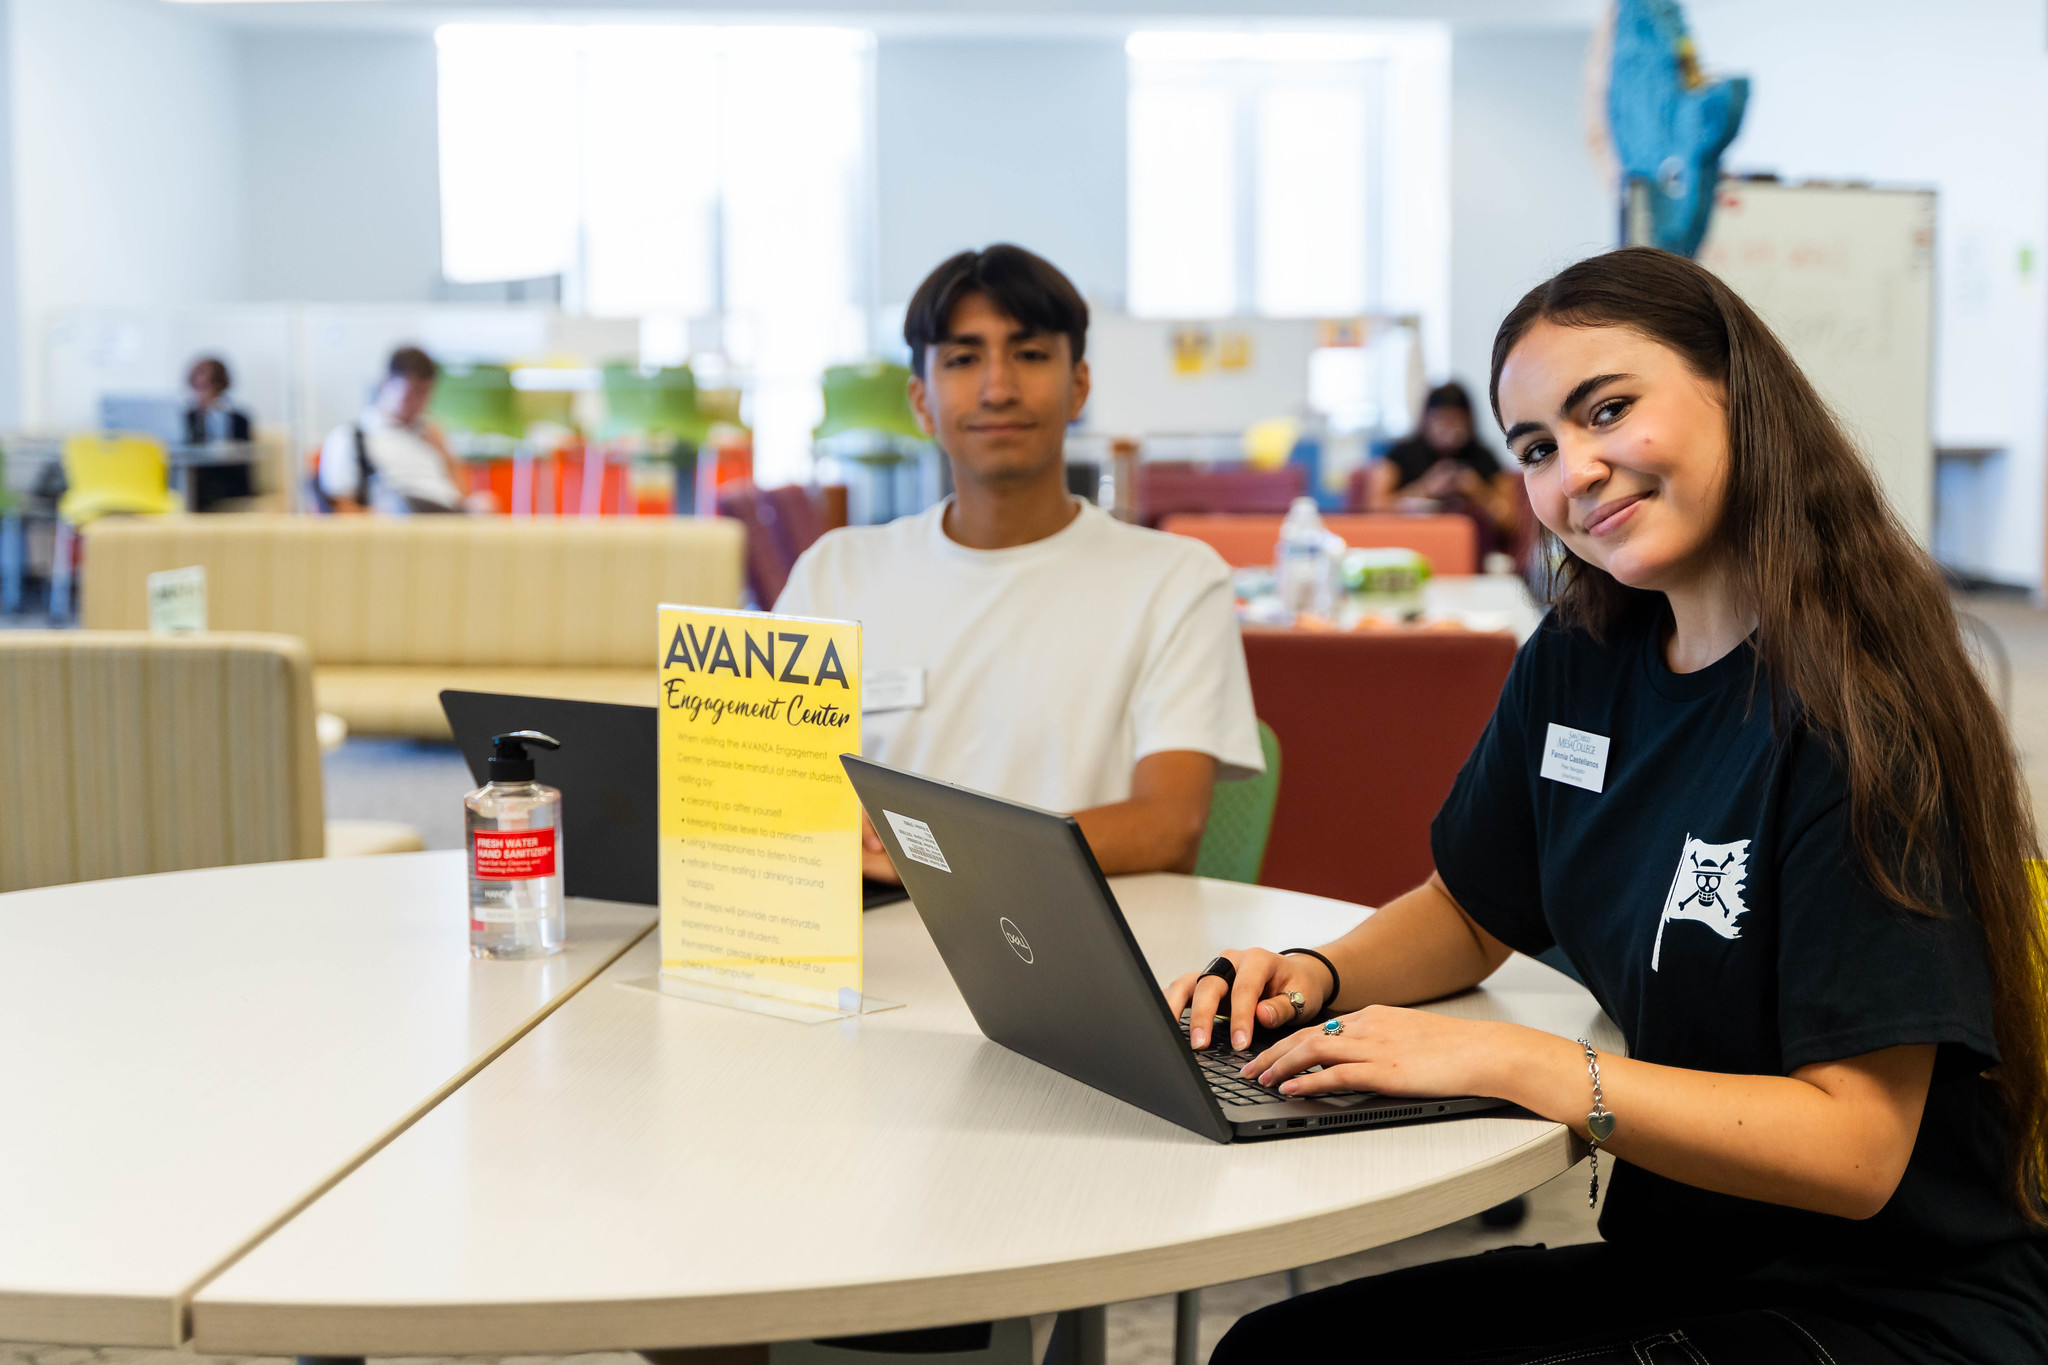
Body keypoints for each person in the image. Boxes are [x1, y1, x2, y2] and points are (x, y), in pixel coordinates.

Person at [1174, 248, 2048, 1365]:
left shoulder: (1858, 711)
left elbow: (1855, 1148)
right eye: (1535, 448)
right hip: (1687, 1259)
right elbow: (1472, 906)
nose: (1573, 472)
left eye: (1607, 410)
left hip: (1889, 1305)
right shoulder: (1583, 653)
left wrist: (1515, 1066)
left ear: (1735, 392)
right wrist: (1313, 976)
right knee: (1275, 1351)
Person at [775, 244, 1263, 881]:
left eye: (1030, 355)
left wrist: (931, 855)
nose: (998, 388)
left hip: (1076, 957)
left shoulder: (1176, 580)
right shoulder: (834, 574)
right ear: (921, 401)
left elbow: (1167, 827)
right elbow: (770, 795)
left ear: (1079, 386)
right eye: (962, 359)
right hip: (866, 949)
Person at [1365, 381, 1519, 555]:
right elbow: (1374, 509)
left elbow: (1510, 521)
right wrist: (1426, 489)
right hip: (1408, 549)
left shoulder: (1483, 456)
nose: (1448, 429)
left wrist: (1476, 490)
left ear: (1468, 421)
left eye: (1455, 420)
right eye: (1441, 419)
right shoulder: (1401, 454)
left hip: (1473, 552)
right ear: (1426, 419)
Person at [317, 346, 470, 514]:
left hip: (451, 519)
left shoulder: (431, 434)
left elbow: (462, 494)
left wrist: (443, 452)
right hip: (400, 523)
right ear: (386, 383)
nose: (419, 403)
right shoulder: (351, 437)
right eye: (411, 393)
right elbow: (343, 507)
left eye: (425, 393)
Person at [182, 356, 255, 511]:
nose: (201, 394)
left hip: (229, 481)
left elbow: (245, 458)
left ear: (219, 386)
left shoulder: (239, 419)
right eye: (197, 387)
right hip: (199, 482)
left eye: (206, 387)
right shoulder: (188, 418)